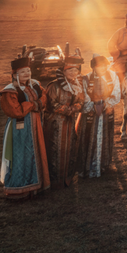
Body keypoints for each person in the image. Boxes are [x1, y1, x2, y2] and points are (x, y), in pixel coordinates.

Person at [0, 56, 49, 198]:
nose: (27, 74)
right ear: (15, 75)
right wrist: (34, 105)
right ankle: (19, 188)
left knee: (35, 152)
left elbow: (44, 98)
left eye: (28, 71)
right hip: (19, 129)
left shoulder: (35, 85)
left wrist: (37, 104)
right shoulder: (10, 91)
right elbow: (16, 111)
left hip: (35, 126)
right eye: (23, 72)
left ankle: (35, 185)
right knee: (20, 155)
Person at [43, 54, 85, 189]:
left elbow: (81, 101)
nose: (73, 73)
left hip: (70, 122)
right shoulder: (53, 86)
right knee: (55, 148)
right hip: (56, 122)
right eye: (70, 70)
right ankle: (54, 179)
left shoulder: (77, 85)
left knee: (70, 147)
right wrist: (67, 110)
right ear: (64, 71)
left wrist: (74, 108)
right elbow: (51, 104)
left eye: (76, 70)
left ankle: (67, 177)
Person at [77, 54, 121, 178]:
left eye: (104, 66)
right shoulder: (86, 79)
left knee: (106, 137)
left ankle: (103, 165)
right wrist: (93, 106)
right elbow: (84, 96)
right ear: (93, 67)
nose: (102, 68)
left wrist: (106, 104)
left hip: (107, 112)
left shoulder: (112, 76)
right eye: (98, 66)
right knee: (88, 137)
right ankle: (87, 167)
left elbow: (116, 92)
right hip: (91, 113)